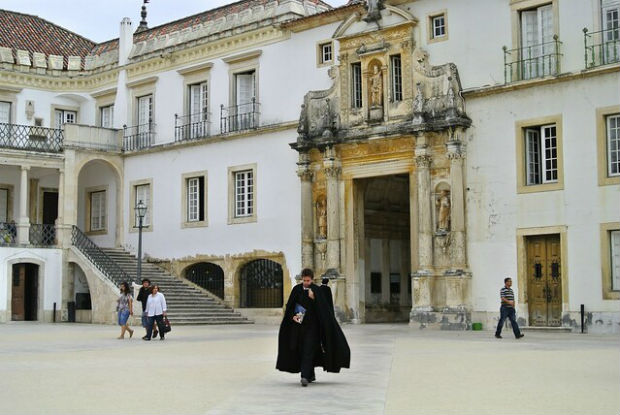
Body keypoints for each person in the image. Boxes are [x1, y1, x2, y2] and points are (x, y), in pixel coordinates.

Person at [276, 268, 350, 387]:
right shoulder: (296, 289)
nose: (306, 282)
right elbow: (290, 306)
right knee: (301, 350)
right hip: (299, 327)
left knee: (308, 350)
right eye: (304, 280)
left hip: (313, 328)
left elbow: (324, 309)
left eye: (308, 280)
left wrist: (314, 298)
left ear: (312, 279)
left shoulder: (316, 290)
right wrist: (292, 317)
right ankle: (310, 374)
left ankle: (304, 376)